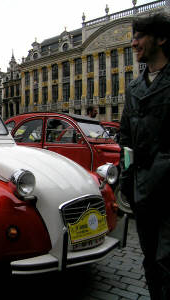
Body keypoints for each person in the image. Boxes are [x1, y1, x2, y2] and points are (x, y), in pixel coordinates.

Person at [119, 13, 170, 300]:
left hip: (167, 192)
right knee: (150, 260)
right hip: (142, 193)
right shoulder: (135, 88)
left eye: (140, 36)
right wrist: (127, 176)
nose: (133, 42)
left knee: (166, 261)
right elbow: (125, 139)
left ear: (161, 39)